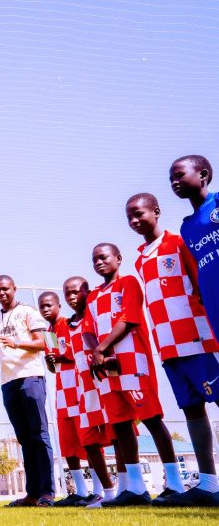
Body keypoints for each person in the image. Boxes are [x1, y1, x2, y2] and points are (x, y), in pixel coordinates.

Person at [126, 192, 219, 506]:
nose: (135, 220)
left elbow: (201, 284)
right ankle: (208, 484)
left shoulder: (178, 243)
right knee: (192, 410)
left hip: (197, 339)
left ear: (156, 211)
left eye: (139, 213)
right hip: (167, 348)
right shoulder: (140, 258)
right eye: (130, 217)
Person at [84, 243, 181, 506]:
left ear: (118, 258)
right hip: (106, 368)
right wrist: (97, 352)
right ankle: (136, 488)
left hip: (132, 363)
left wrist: (101, 349)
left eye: (103, 257)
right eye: (94, 259)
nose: (99, 262)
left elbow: (128, 319)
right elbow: (88, 329)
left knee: (151, 418)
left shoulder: (128, 283)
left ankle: (174, 482)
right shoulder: (92, 296)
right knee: (121, 425)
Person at [0, 275, 54, 507]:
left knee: (39, 435)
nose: (1, 293)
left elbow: (43, 343)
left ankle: (47, 493)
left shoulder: (28, 312)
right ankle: (32, 494)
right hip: (8, 383)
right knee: (24, 439)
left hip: (31, 377)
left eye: (5, 289)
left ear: (15, 288)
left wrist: (17, 343)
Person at [58, 278, 117, 508]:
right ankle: (107, 491)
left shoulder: (93, 315)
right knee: (89, 440)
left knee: (117, 434)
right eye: (67, 293)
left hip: (104, 381)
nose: (72, 297)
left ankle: (125, 488)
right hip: (83, 387)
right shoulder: (65, 326)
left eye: (75, 292)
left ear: (87, 292)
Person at [39, 292, 91, 507]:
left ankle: (97, 489)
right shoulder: (49, 332)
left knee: (86, 438)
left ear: (59, 306)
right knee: (67, 441)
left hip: (78, 385)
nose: (45, 309)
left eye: (49, 305)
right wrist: (51, 361)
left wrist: (58, 357)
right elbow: (53, 366)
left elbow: (73, 353)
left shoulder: (68, 324)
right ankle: (79, 490)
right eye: (42, 307)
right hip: (62, 387)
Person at [170, 155, 219, 336]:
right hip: (213, 294)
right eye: (171, 180)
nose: (174, 182)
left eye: (180, 175)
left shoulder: (217, 201)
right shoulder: (187, 227)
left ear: (203, 175)